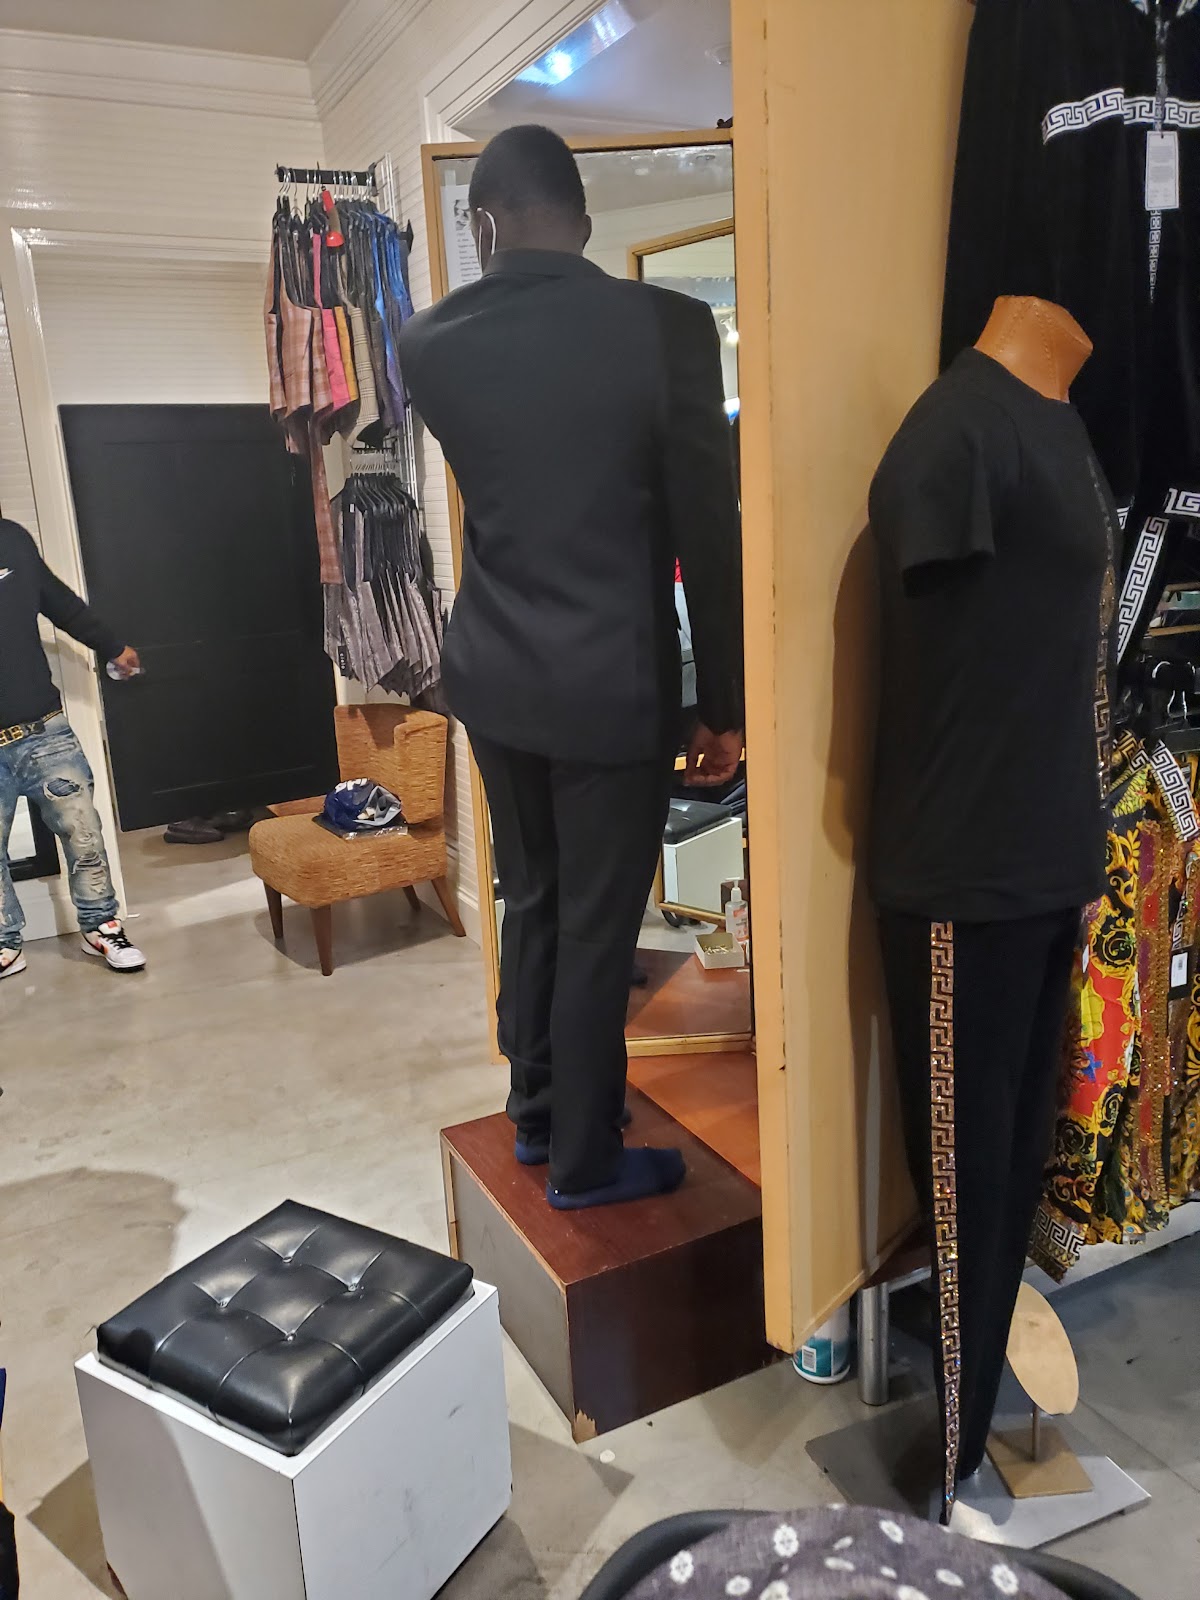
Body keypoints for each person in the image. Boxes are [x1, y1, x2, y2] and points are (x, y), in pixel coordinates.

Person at [399, 125, 744, 1210]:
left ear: (483, 223)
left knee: (534, 896)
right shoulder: (667, 328)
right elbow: (711, 532)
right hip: (610, 681)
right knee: (599, 922)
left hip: (495, 677)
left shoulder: (426, 343)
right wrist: (723, 702)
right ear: (585, 221)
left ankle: (538, 1112)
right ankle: (587, 1162)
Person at [0, 516, 146, 976]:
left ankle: (101, 926)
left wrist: (111, 645)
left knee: (83, 834)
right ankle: (4, 942)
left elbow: (60, 601)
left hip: (43, 731)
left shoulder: (11, 539)